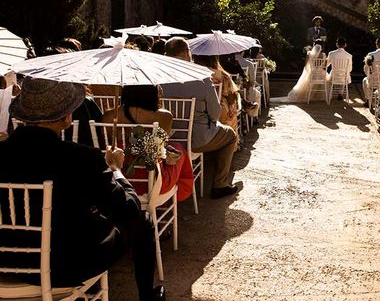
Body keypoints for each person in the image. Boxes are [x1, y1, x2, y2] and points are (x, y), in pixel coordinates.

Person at [0, 78, 165, 301]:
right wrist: (115, 169)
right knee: (142, 221)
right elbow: (128, 209)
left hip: (6, 263)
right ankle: (147, 296)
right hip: (66, 267)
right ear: (67, 115)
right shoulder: (82, 158)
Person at [161, 37, 239, 199]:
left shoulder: (158, 78)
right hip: (196, 140)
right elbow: (215, 113)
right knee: (231, 135)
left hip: (166, 139)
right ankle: (220, 184)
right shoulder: (201, 77)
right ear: (186, 53)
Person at [102, 85, 193, 202]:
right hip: (152, 181)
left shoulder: (109, 116)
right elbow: (162, 146)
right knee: (179, 149)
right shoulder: (165, 116)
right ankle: (178, 195)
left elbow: (108, 144)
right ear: (152, 93)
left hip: (117, 177)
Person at [362, 37, 380, 102]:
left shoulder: (371, 54)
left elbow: (366, 69)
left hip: (373, 81)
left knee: (365, 80)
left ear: (376, 44)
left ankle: (368, 99)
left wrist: (369, 75)